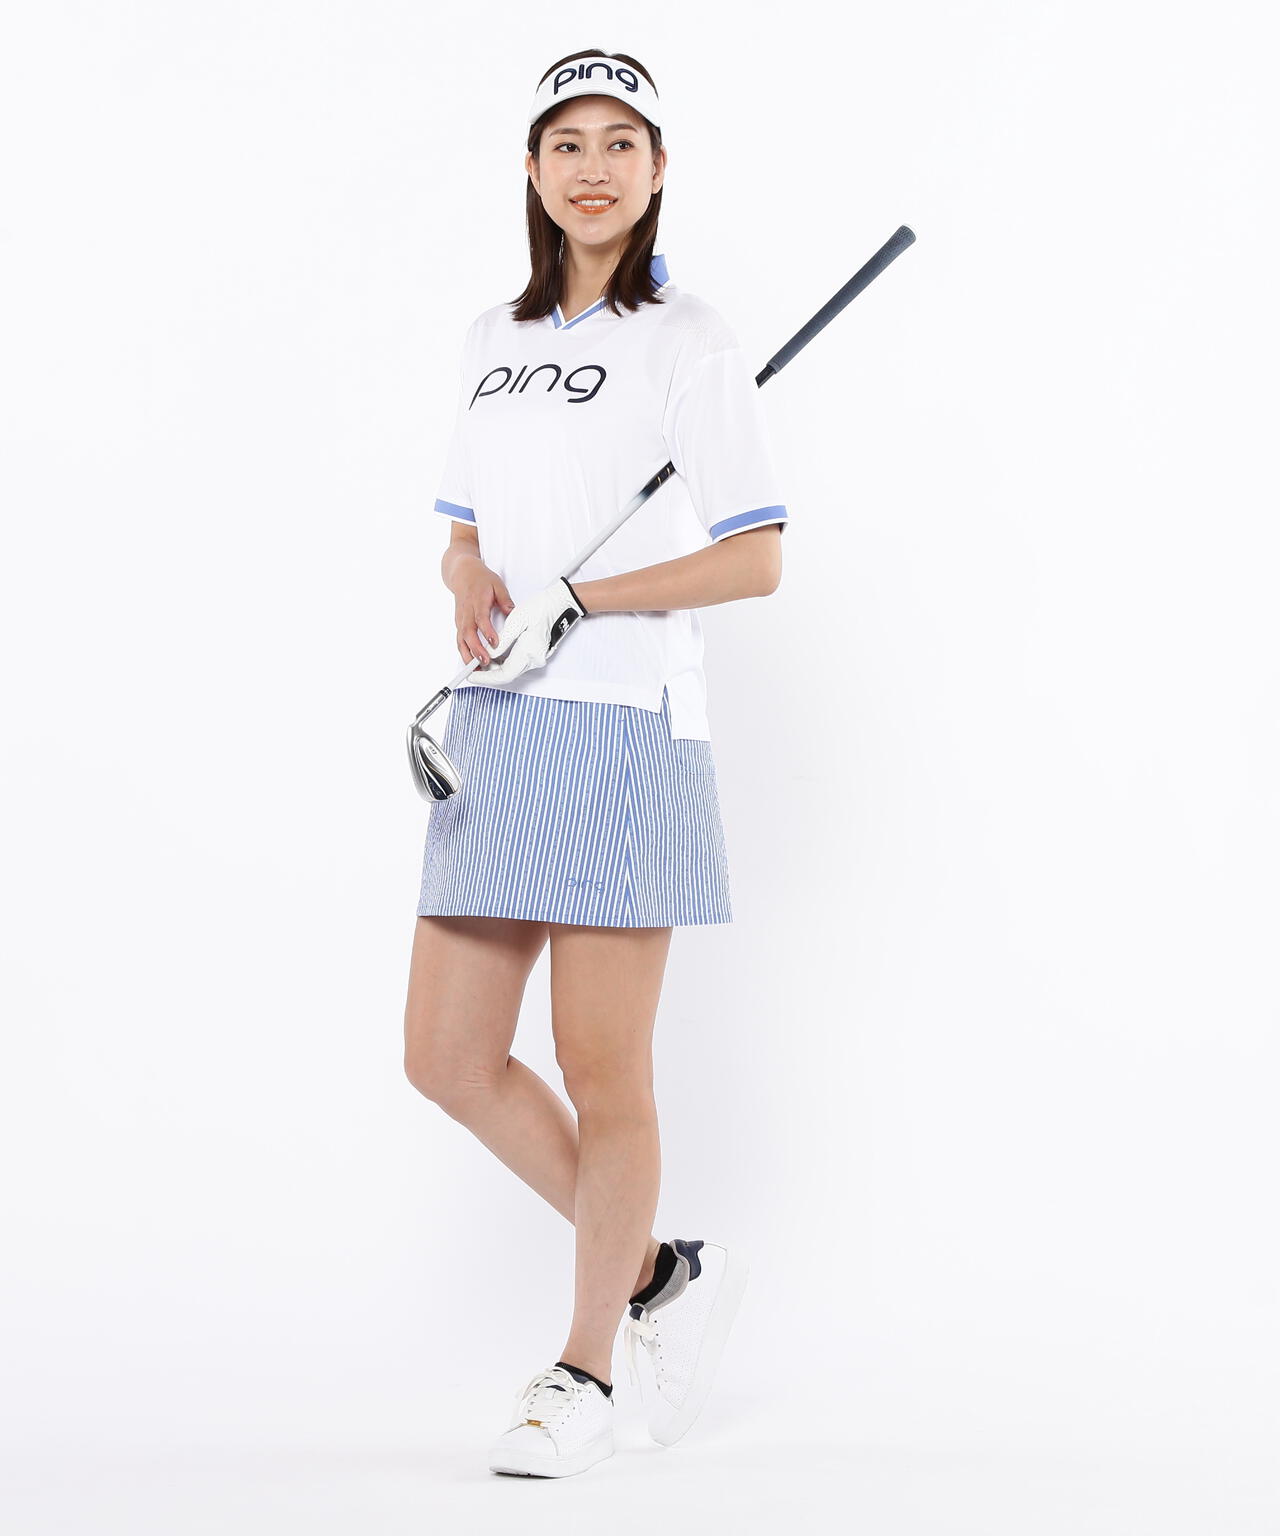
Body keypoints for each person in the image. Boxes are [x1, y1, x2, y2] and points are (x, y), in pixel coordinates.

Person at [402, 49, 789, 1478]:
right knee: (447, 1056)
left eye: (622, 142)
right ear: (531, 168)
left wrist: (590, 597)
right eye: (567, 141)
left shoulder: (693, 338)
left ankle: (585, 1371)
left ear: (659, 168)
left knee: (598, 1063)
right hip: (499, 720)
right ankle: (659, 1274)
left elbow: (756, 556)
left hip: (626, 729)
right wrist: (469, 577)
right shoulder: (491, 338)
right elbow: (464, 523)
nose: (593, 166)